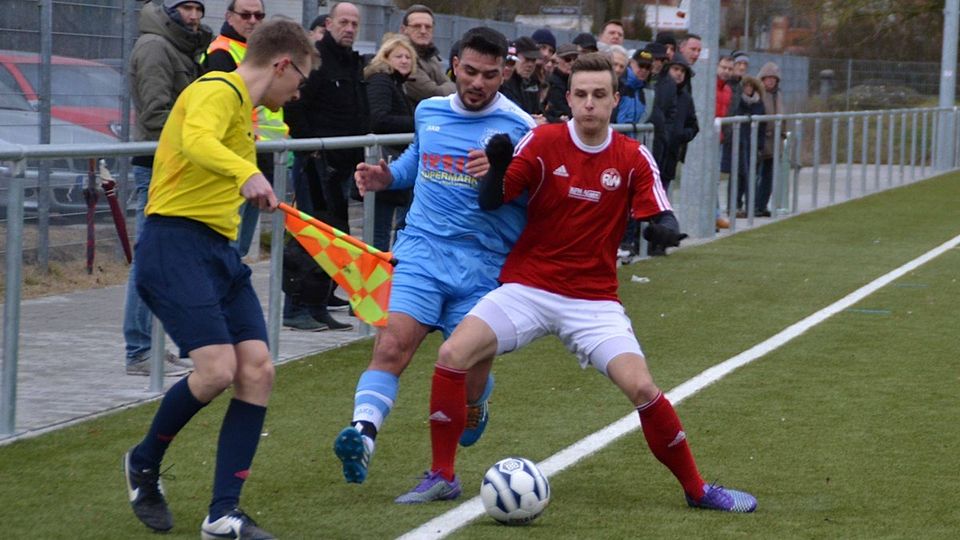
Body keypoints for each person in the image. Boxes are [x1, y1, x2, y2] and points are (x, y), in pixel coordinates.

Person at [395, 54, 757, 515]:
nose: (589, 104)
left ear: (615, 100)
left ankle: (697, 488)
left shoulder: (631, 157)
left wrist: (664, 226)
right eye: (581, 94)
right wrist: (500, 168)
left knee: (643, 389)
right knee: (452, 354)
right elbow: (493, 201)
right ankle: (442, 475)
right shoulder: (543, 141)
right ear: (568, 99)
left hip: (593, 301)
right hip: (528, 287)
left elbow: (658, 212)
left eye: (599, 95)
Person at [121, 19, 317, 538]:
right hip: (174, 245)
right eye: (299, 79)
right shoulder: (217, 87)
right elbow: (195, 140)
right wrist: (246, 172)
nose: (297, 93)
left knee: (258, 370)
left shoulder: (244, 108)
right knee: (215, 371)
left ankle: (223, 513)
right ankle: (142, 463)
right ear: (282, 64)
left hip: (217, 252)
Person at [335, 26, 537, 486]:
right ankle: (362, 436)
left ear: (503, 75)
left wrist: (504, 173)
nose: (478, 83)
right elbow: (417, 159)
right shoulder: (428, 111)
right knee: (390, 345)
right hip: (423, 251)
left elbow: (537, 197)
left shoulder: (522, 129)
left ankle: (477, 402)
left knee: (463, 374)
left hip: (484, 264)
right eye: (469, 71)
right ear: (453, 66)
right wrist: (387, 177)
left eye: (489, 74)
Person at [124, 0, 211, 377]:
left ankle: (155, 345)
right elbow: (155, 114)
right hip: (158, 166)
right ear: (168, 10)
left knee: (170, 259)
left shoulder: (181, 45)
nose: (193, 16)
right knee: (149, 260)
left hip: (176, 164)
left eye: (198, 8)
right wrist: (203, 135)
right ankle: (140, 350)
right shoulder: (156, 47)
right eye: (186, 8)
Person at [283, 1, 366, 331]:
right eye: (343, 22)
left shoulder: (351, 62)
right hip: (317, 162)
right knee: (309, 235)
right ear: (329, 23)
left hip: (342, 164)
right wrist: (312, 149)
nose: (349, 28)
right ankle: (295, 307)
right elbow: (295, 105)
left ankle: (317, 303)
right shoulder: (315, 59)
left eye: (354, 24)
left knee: (332, 234)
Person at [201, 0, 283, 259]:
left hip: (261, 155)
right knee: (228, 247)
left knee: (240, 248)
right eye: (245, 15)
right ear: (229, 16)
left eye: (259, 15)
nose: (252, 21)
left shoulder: (260, 52)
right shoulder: (220, 53)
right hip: (236, 159)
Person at [364, 34, 416, 251]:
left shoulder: (397, 84)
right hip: (384, 159)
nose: (404, 60)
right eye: (398, 56)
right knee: (380, 230)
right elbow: (379, 119)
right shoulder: (381, 81)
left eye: (408, 57)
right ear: (385, 58)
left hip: (395, 160)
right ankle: (377, 280)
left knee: (396, 226)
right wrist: (417, 122)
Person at [400, 4, 456, 104]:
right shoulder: (403, 59)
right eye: (417, 26)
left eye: (428, 27)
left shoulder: (431, 56)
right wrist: (451, 87)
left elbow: (450, 87)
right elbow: (433, 94)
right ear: (404, 30)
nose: (423, 31)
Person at [732, 76, 766, 215]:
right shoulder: (738, 101)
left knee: (752, 176)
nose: (748, 89)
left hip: (753, 143)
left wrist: (760, 146)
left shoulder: (759, 103)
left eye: (751, 86)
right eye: (746, 86)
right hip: (740, 142)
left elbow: (762, 126)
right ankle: (736, 205)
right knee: (740, 175)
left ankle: (750, 205)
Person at [756, 61, 784, 217]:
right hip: (761, 140)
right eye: (768, 78)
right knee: (756, 174)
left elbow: (782, 116)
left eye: (774, 78)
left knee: (769, 176)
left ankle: (762, 205)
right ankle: (753, 205)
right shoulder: (758, 93)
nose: (771, 81)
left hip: (774, 141)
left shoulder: (778, 95)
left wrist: (782, 134)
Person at [500, 36, 544, 120]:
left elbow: (538, 111)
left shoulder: (532, 83)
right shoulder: (504, 82)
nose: (530, 65)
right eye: (527, 59)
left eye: (533, 60)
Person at [543, 43, 578, 123]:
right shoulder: (553, 83)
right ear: (558, 61)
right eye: (567, 59)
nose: (572, 63)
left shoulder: (576, 81)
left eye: (575, 59)